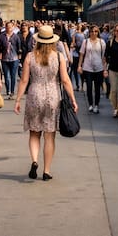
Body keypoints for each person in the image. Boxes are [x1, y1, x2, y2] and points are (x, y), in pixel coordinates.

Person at [14, 25, 77, 181]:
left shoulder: (30, 56)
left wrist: (18, 99)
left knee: (34, 133)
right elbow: (65, 80)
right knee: (50, 136)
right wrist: (73, 99)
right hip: (52, 97)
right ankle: (46, 171)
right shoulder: (59, 57)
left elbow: (24, 80)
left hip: (34, 95)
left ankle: (35, 161)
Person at [77, 25, 106, 114]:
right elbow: (81, 54)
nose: (94, 33)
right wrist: (79, 66)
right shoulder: (85, 42)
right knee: (89, 87)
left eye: (96, 31)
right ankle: (90, 104)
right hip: (87, 67)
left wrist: (105, 69)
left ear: (98, 32)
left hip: (99, 68)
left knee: (97, 88)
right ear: (89, 32)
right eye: (92, 31)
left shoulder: (102, 42)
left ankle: (96, 105)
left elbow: (104, 57)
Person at [0, 21, 23, 99]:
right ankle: (8, 90)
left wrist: (19, 56)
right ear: (5, 27)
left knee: (13, 75)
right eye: (7, 27)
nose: (9, 28)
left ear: (13, 27)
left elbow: (19, 47)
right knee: (7, 76)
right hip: (5, 58)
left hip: (14, 58)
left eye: (10, 27)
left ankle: (12, 91)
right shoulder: (1, 36)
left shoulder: (16, 36)